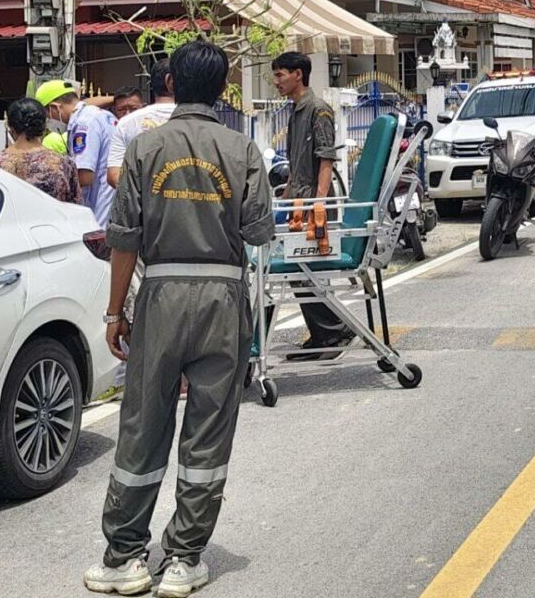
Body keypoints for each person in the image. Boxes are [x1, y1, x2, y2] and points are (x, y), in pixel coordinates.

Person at [86, 40, 272, 598]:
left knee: (144, 422)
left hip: (161, 293)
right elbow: (259, 232)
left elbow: (124, 240)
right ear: (222, 88)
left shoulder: (143, 148)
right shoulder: (242, 149)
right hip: (222, 297)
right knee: (209, 428)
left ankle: (124, 558)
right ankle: (185, 559)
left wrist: (116, 312)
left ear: (171, 84)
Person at [273, 50, 354, 358]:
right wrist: (284, 200)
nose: (276, 81)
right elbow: (295, 162)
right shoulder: (294, 110)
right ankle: (325, 333)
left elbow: (325, 159)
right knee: (298, 269)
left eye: (280, 74)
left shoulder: (318, 109)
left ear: (298, 74)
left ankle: (333, 333)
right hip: (297, 200)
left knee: (304, 268)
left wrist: (319, 203)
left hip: (313, 201)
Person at [39, 79, 117, 224]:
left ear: (54, 107)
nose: (50, 121)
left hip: (99, 210)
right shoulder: (102, 115)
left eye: (48, 116)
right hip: (112, 205)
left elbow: (84, 176)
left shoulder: (83, 124)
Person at [0, 97, 81, 205]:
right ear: (43, 127)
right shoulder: (64, 164)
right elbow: (75, 205)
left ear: (10, 127)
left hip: (12, 221)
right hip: (52, 221)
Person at [106, 62, 179, 194]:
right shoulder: (197, 121)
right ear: (171, 82)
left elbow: (114, 176)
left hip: (142, 210)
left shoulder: (126, 123)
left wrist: (144, 197)